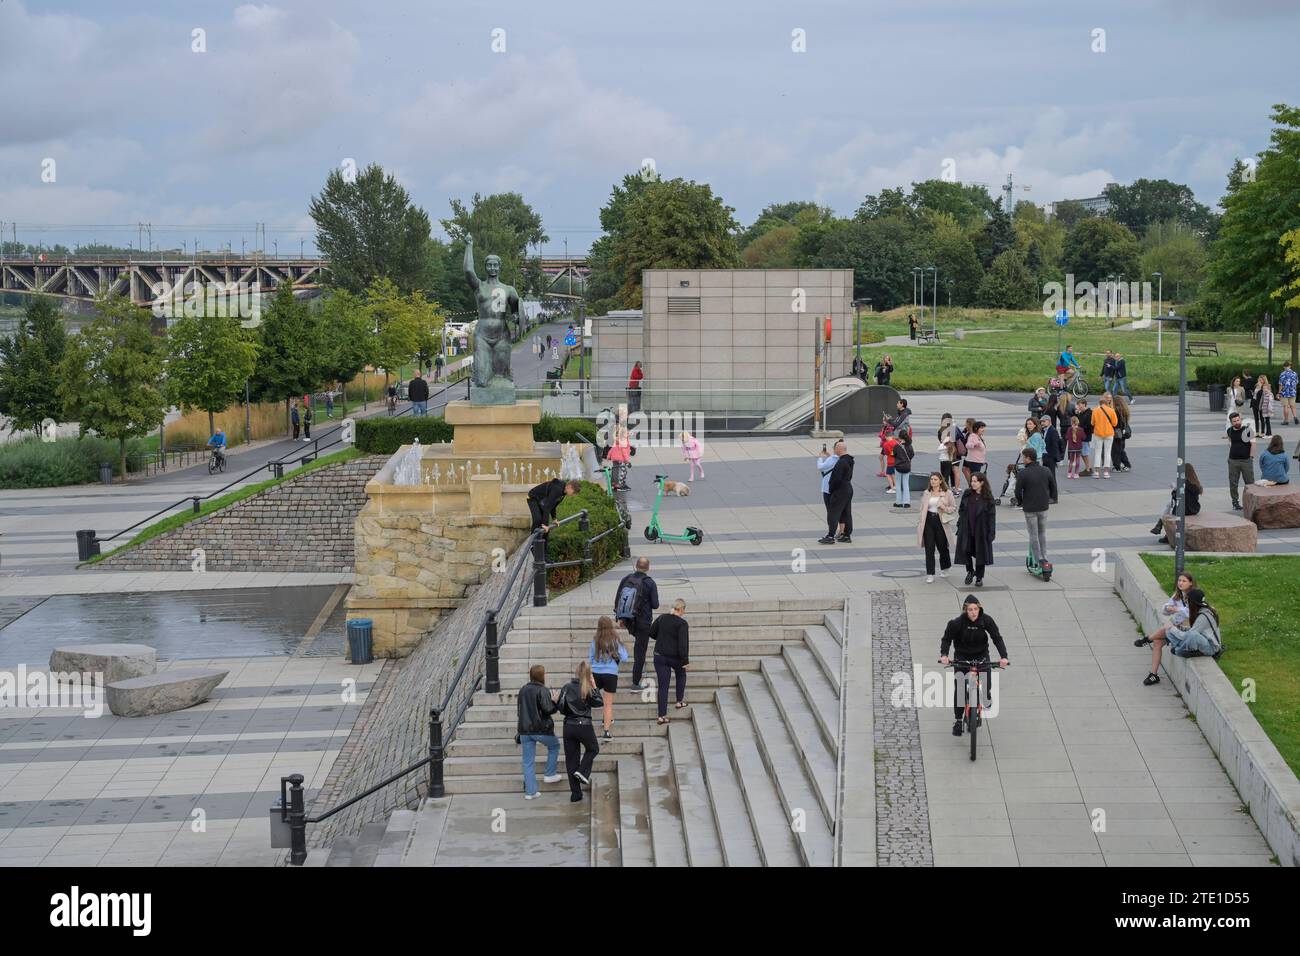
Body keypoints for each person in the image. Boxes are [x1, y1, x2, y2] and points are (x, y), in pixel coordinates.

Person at [939, 595, 1009, 736]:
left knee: (987, 680)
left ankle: (986, 696)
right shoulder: (956, 623)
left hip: (981, 656)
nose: (973, 612)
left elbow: (997, 638)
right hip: (962, 658)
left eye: (976, 609)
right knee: (959, 688)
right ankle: (958, 721)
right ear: (965, 610)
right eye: (970, 609)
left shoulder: (986, 620)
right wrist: (944, 655)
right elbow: (946, 639)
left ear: (979, 608)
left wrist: (1004, 657)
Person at [1139, 588, 1222, 686]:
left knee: (1184, 633)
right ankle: (1183, 648)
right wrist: (1175, 629)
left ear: (1193, 602)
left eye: (1188, 601)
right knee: (1168, 631)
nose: (1186, 604)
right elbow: (1189, 630)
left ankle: (1179, 650)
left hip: (1211, 647)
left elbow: (1190, 635)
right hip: (1200, 639)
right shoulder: (1200, 610)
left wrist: (1174, 629)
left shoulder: (1204, 616)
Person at [556, 661, 603, 801]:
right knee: (593, 749)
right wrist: (594, 685)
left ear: (576, 672)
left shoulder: (566, 687)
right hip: (584, 726)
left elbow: (562, 709)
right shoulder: (587, 688)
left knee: (571, 760)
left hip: (569, 726)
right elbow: (599, 702)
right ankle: (582, 771)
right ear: (589, 674)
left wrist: (555, 701)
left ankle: (576, 794)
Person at [516, 664, 563, 799]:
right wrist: (555, 701)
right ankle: (549, 774)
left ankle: (530, 793)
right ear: (542, 676)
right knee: (554, 746)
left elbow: (519, 710)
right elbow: (548, 709)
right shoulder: (542, 690)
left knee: (528, 761)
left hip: (525, 730)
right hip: (541, 729)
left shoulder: (523, 690)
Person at [614, 557, 659, 691]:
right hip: (643, 622)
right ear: (648, 568)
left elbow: (618, 598)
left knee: (638, 646)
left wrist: (620, 617)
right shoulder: (650, 583)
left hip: (629, 620)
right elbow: (656, 605)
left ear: (636, 566)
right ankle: (635, 682)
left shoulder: (626, 579)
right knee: (640, 651)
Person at [588, 616, 629, 740]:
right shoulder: (615, 640)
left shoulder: (595, 640)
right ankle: (606, 731)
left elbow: (590, 659)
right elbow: (625, 657)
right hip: (611, 674)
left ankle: (586, 725)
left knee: (589, 701)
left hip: (596, 673)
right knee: (608, 704)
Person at [650, 599, 690, 724]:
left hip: (659, 656)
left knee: (663, 686)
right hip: (675, 657)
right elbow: (683, 645)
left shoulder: (662, 618)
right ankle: (679, 701)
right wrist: (685, 661)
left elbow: (651, 633)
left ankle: (661, 716)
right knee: (681, 673)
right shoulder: (682, 623)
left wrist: (662, 637)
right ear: (682, 609)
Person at [1134, 572, 1196, 650]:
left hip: (1189, 627)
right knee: (1157, 642)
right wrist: (1167, 608)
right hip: (1178, 624)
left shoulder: (1195, 595)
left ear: (1191, 583)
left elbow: (1191, 612)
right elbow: (1165, 611)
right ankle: (1149, 640)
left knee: (1168, 626)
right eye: (1179, 580)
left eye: (1184, 581)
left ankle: (1148, 639)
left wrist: (1176, 609)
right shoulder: (1178, 594)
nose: (1180, 583)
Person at [954, 471, 996, 587]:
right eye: (971, 481)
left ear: (981, 482)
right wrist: (960, 524)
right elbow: (961, 509)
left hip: (981, 530)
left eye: (975, 481)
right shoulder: (967, 494)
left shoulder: (987, 497)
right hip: (967, 528)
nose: (972, 483)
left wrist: (991, 532)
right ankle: (970, 571)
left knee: (980, 554)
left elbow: (992, 516)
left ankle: (979, 577)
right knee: (966, 551)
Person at [1017, 448, 1056, 569]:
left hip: (1030, 508)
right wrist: (1052, 498)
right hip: (1043, 506)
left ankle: (1038, 558)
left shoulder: (1023, 473)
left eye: (1024, 457)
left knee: (1033, 534)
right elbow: (1053, 486)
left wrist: (1020, 502)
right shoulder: (1046, 470)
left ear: (1028, 458)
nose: (1023, 460)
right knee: (1042, 533)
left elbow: (1017, 491)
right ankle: (1045, 556)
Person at [917, 472, 956, 583]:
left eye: (935, 479)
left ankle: (945, 567)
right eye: (931, 479)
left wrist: (944, 507)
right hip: (928, 520)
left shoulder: (947, 493)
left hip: (940, 521)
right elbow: (922, 508)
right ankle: (930, 573)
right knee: (929, 548)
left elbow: (953, 507)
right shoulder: (926, 493)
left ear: (940, 481)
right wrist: (920, 521)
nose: (933, 481)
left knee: (942, 546)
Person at [1149, 462, 1203, 543]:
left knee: (1169, 508)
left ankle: (1163, 529)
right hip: (1194, 509)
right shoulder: (1195, 483)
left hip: (1185, 510)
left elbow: (1176, 497)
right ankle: (1159, 526)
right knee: (1169, 504)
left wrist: (1174, 489)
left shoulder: (1184, 483)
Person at [821, 440, 855, 541]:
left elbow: (835, 479)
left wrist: (831, 489)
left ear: (839, 449)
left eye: (835, 448)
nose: (834, 450)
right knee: (846, 512)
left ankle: (830, 535)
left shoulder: (841, 462)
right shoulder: (849, 460)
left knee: (833, 512)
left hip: (840, 491)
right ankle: (846, 535)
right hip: (848, 488)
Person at [1225, 411, 1256, 511]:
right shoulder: (1229, 430)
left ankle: (1251, 501)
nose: (1237, 422)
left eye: (1238, 420)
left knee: (1250, 483)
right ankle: (1235, 502)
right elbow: (1230, 442)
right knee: (1233, 483)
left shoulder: (1247, 430)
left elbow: (1253, 444)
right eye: (1234, 421)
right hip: (1233, 461)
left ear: (1240, 420)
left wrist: (1251, 457)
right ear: (1231, 422)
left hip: (1246, 460)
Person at [817, 441, 844, 540]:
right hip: (840, 488)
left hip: (828, 488)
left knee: (830, 511)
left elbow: (820, 467)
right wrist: (829, 456)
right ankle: (841, 531)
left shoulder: (833, 459)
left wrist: (820, 457)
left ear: (835, 448)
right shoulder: (843, 459)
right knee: (841, 511)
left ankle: (831, 532)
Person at [1089, 394, 1118, 478]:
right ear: (1106, 403)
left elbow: (1092, 423)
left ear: (1100, 403)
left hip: (1098, 433)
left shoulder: (1095, 410)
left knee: (1098, 452)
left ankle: (1097, 472)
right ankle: (1106, 472)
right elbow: (1115, 423)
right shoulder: (1111, 410)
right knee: (1107, 452)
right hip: (1109, 433)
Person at [1039, 415, 1062, 497]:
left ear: (1049, 421)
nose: (1042, 423)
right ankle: (1048, 494)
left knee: (1051, 477)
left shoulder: (1053, 431)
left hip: (1051, 457)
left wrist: (1057, 459)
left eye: (1044, 421)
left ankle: (1054, 496)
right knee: (1046, 477)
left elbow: (1056, 445)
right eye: (1041, 421)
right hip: (1045, 456)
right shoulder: (1044, 430)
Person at [937, 414, 959, 491]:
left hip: (944, 456)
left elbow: (940, 443)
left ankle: (946, 489)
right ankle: (953, 487)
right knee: (951, 472)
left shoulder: (941, 431)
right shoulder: (952, 430)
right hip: (952, 455)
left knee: (945, 474)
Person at [1111, 394, 1133, 472]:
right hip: (1123, 433)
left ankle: (1117, 467)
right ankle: (1126, 465)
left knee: (1115, 450)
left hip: (1117, 433)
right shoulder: (1124, 410)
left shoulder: (1116, 411)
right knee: (1121, 450)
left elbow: (1115, 423)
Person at [607, 422, 631, 490]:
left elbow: (612, 449)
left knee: (615, 471)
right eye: (627, 432)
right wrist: (627, 461)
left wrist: (609, 456)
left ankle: (613, 484)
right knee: (622, 472)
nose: (628, 432)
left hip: (615, 458)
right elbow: (624, 451)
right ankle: (619, 485)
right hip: (621, 459)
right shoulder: (624, 441)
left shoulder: (617, 440)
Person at [1074, 398, 1093, 476]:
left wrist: (1078, 428)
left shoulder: (1089, 413)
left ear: (1084, 404)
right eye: (1078, 405)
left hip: (1085, 436)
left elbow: (1086, 425)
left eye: (1080, 405)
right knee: (1082, 452)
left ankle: (1088, 469)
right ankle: (1088, 468)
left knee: (1084, 453)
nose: (1078, 407)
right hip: (1082, 435)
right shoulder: (1082, 413)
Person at [1065, 415, 1085, 479]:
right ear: (1078, 422)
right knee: (1078, 460)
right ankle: (1076, 473)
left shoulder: (1069, 429)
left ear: (1071, 422)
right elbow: (1084, 437)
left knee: (1071, 461)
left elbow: (1066, 437)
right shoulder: (1081, 429)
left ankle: (1069, 473)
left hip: (1071, 447)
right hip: (1079, 447)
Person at [1279, 361, 1297, 426]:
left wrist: (1279, 392)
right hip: (1292, 392)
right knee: (1293, 405)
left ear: (1284, 366)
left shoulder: (1282, 374)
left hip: (1284, 392)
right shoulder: (1294, 373)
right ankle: (1295, 417)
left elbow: (1281, 384)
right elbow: (1296, 382)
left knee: (1285, 406)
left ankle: (1286, 420)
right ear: (1290, 366)